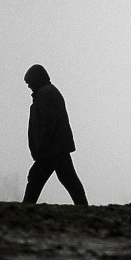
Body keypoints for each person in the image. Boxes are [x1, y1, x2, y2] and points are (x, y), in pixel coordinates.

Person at [22, 64, 88, 205]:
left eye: (30, 82)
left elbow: (49, 122)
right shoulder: (46, 93)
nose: (29, 86)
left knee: (39, 178)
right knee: (66, 178)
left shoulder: (45, 94)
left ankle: (26, 206)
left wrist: (42, 146)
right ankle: (83, 206)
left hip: (52, 148)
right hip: (54, 148)